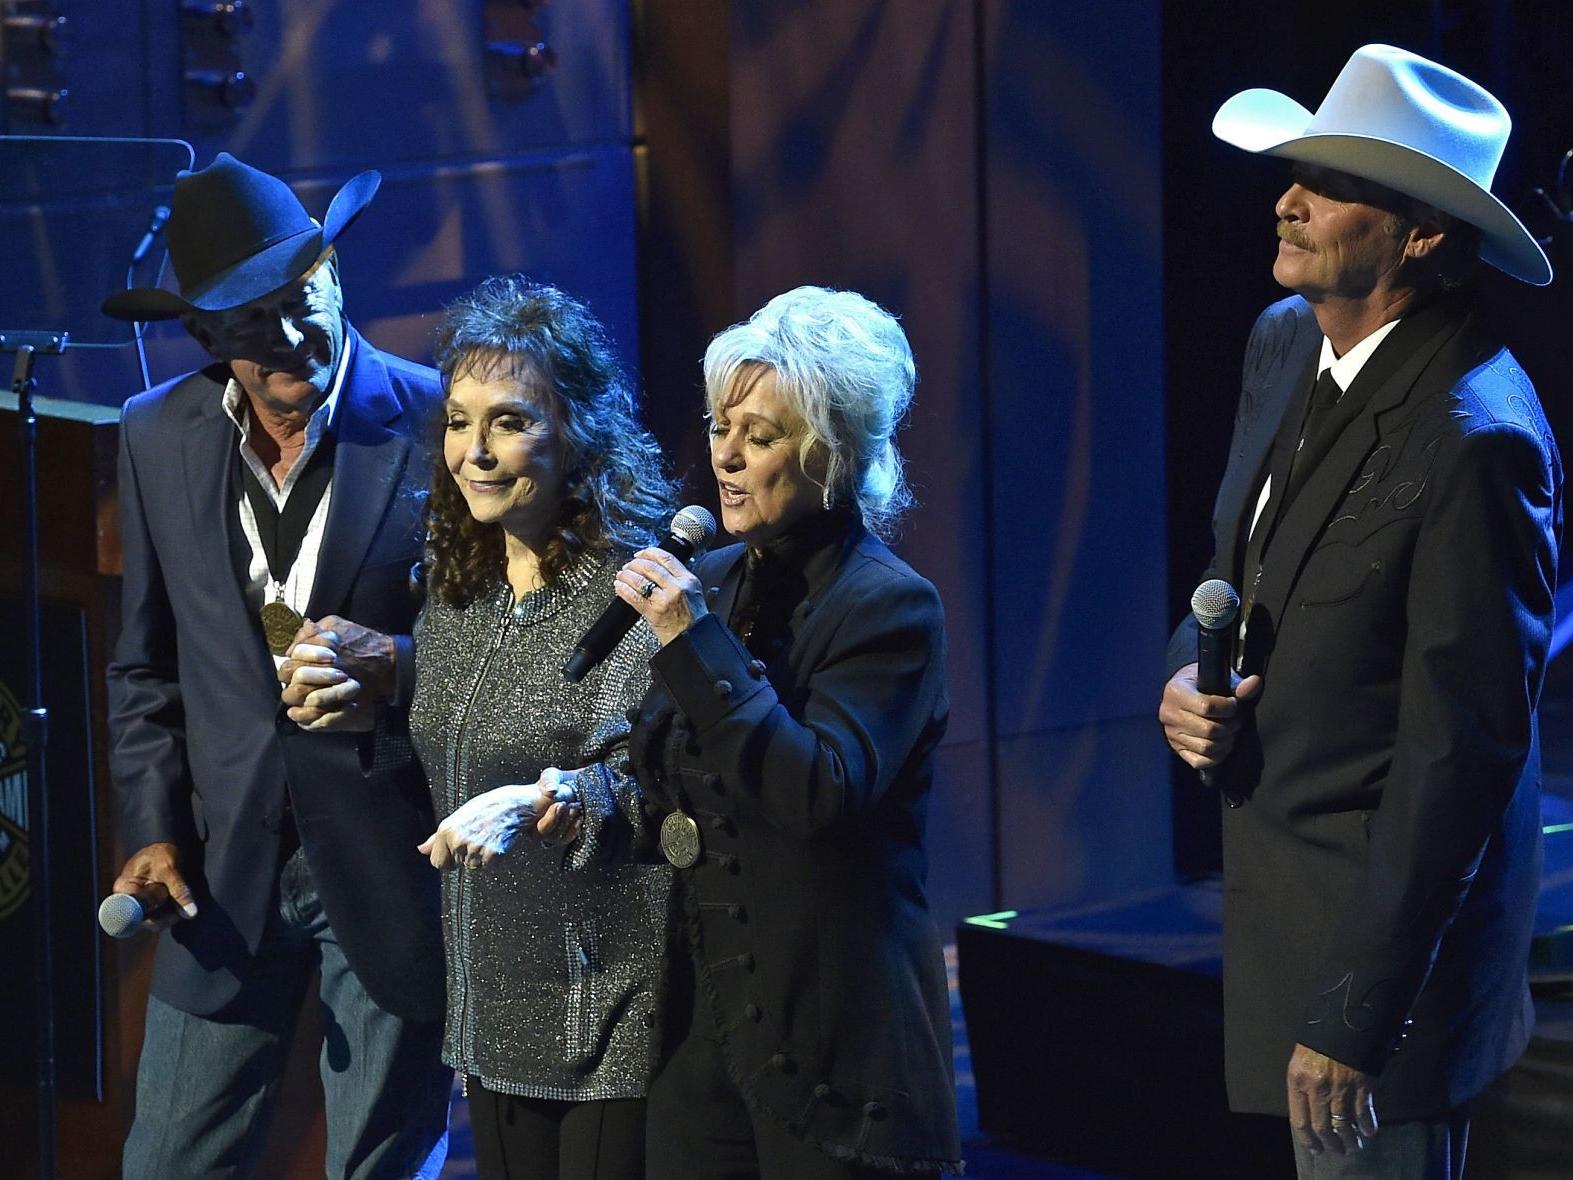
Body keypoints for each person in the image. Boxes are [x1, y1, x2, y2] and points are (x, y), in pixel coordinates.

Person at [1158, 45, 1562, 1178]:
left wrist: (1354, 1015)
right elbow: (1232, 569)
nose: (1286, 198)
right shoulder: (1283, 340)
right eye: (1296, 171)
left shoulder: (1478, 441)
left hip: (1382, 986)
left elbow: (1460, 760)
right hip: (1278, 925)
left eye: (1327, 185)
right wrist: (1187, 672)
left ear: (1421, 234)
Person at [102, 153, 452, 1178]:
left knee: (382, 1165)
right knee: (167, 1159)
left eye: (303, 297)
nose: (292, 334)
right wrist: (152, 827)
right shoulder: (155, 433)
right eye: (252, 321)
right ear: (205, 335)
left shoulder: (444, 424)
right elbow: (143, 669)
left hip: (392, 862)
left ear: (337, 273)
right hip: (225, 876)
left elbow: (517, 653)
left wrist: (398, 662)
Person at [614, 286, 962, 1177]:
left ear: (833, 456)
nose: (724, 458)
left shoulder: (887, 605)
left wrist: (697, 645)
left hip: (834, 1044)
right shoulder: (718, 578)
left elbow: (816, 791)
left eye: (760, 437)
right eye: (719, 426)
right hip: (704, 1026)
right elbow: (672, 774)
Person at [405, 275, 676, 1180]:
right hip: (489, 1009)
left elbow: (653, 779)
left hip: (605, 1009)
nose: (473, 452)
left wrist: (545, 796)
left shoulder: (632, 588)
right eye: (457, 421)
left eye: (509, 422)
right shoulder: (456, 588)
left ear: (577, 432)